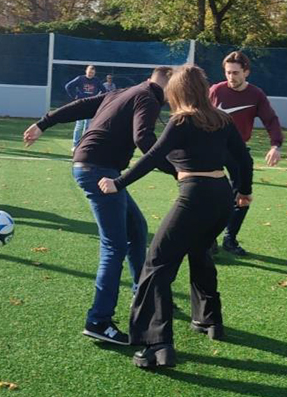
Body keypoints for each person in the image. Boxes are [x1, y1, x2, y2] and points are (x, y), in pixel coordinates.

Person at [98, 65, 253, 369]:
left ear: (178, 92)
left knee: (155, 265)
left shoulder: (181, 121)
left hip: (194, 195)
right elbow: (243, 158)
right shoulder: (222, 119)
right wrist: (243, 191)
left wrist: (118, 183)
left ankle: (157, 346)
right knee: (200, 252)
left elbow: (152, 156)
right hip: (221, 197)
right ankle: (210, 321)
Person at [23, 66, 176, 345]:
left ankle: (142, 293)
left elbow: (80, 106)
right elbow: (144, 138)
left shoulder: (124, 91)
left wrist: (43, 123)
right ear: (168, 83)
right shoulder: (149, 98)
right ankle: (98, 320)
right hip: (99, 171)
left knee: (136, 228)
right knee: (114, 246)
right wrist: (177, 170)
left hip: (94, 167)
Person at [209, 51, 283, 255]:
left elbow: (271, 120)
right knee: (211, 194)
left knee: (243, 194)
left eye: (235, 73)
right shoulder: (216, 90)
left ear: (246, 72)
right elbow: (200, 115)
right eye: (227, 72)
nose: (231, 77)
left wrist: (276, 145)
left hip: (238, 151)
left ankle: (230, 239)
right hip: (213, 149)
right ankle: (209, 239)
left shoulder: (256, 95)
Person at [64, 65, 106, 151]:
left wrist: (98, 98)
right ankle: (75, 145)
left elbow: (104, 90)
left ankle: (84, 144)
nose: (91, 74)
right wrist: (74, 96)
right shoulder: (80, 79)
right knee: (79, 125)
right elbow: (68, 86)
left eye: (92, 73)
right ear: (86, 71)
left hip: (91, 105)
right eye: (90, 72)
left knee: (88, 126)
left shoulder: (96, 80)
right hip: (81, 104)